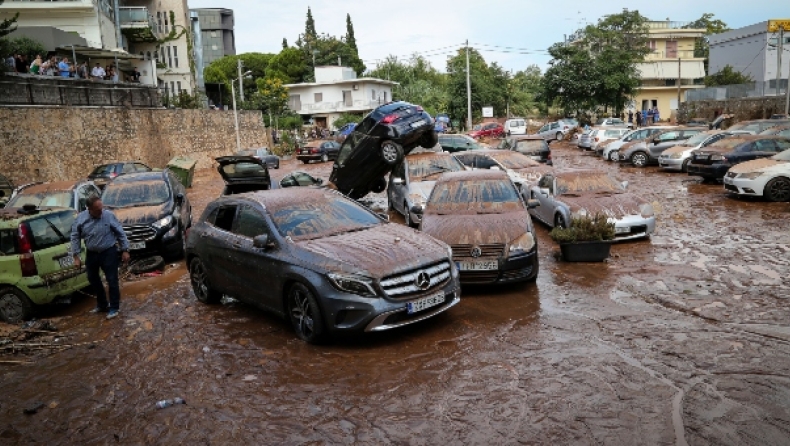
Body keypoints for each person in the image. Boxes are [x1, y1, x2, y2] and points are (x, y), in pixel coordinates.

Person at [70, 195, 130, 320]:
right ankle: (102, 304)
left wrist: (125, 250)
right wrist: (76, 256)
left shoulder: (108, 215)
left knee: (112, 279)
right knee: (92, 278)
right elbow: (75, 236)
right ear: (89, 209)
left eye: (101, 208)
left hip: (108, 251)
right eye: (97, 210)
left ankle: (114, 307)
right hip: (92, 253)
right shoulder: (81, 218)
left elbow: (120, 232)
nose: (100, 212)